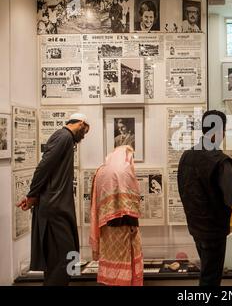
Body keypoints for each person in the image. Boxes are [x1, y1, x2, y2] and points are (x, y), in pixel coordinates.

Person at [16, 113, 90, 286]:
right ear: (80, 123)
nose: (84, 135)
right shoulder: (64, 136)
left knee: (65, 256)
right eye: (85, 130)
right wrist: (32, 195)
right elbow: (44, 166)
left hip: (59, 206)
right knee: (66, 256)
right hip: (54, 207)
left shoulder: (66, 139)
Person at [177, 110, 232, 286]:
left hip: (195, 226)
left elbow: (183, 189)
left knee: (207, 273)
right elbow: (231, 199)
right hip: (214, 230)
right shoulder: (221, 161)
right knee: (211, 279)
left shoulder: (186, 156)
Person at [90, 145, 143, 286]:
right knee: (125, 262)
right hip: (124, 225)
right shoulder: (124, 171)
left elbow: (96, 201)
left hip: (106, 227)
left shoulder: (100, 171)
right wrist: (133, 225)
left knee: (110, 262)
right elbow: (128, 204)